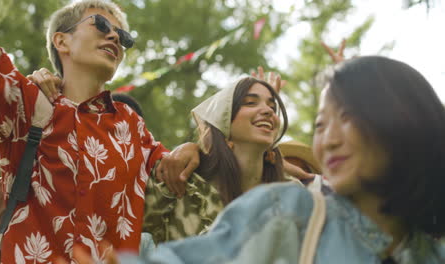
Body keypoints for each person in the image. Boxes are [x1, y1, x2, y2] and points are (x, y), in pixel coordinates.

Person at [124, 56, 445, 263]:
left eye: (346, 117)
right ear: (224, 122)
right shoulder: (290, 208)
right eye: (320, 125)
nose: (328, 140)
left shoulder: (429, 251)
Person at [0, 0, 200, 262]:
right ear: (62, 42)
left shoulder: (131, 124)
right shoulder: (27, 105)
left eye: (124, 36)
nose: (115, 36)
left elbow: (181, 175)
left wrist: (192, 147)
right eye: (101, 24)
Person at [142, 76, 292, 244]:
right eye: (250, 103)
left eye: (272, 106)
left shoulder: (291, 195)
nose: (269, 111)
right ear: (223, 121)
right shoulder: (179, 183)